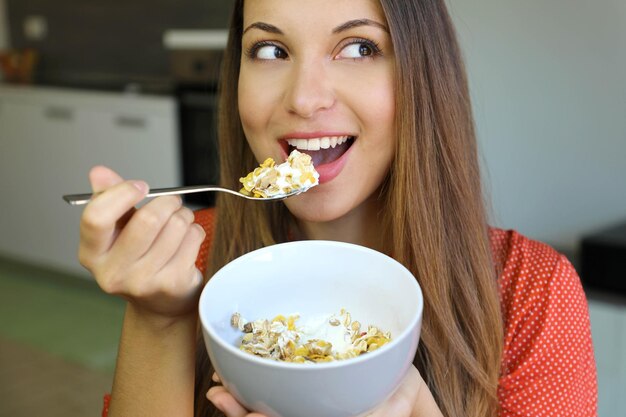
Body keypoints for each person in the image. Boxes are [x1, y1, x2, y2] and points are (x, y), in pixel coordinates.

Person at [78, 0, 597, 416]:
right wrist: (158, 321)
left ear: (424, 74)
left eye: (358, 47)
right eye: (270, 50)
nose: (304, 99)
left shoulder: (531, 290)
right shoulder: (188, 257)